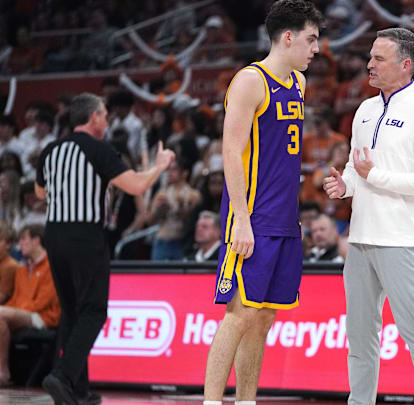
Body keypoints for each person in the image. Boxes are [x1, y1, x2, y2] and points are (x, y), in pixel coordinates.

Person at [203, 2, 323, 405]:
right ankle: (210, 402)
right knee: (237, 315)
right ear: (287, 37)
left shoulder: (299, 85)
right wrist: (240, 218)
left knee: (264, 316)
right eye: (311, 39)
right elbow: (231, 151)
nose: (316, 49)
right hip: (251, 216)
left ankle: (247, 401)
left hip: (285, 218)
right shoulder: (249, 81)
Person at [323, 27, 414, 405]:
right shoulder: (364, 109)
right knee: (360, 338)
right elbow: (354, 167)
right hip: (359, 240)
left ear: (405, 65)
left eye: (379, 58)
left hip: (402, 242)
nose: (369, 64)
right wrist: (345, 186)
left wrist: (370, 176)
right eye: (370, 56)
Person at [36, 92, 175, 405]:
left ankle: (77, 390)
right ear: (94, 117)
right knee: (94, 310)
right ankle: (62, 376)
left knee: (72, 311)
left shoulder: (50, 150)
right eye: (105, 116)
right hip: (85, 235)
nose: (107, 121)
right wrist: (160, 165)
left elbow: (39, 191)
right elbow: (138, 186)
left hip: (54, 235)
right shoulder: (99, 149)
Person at [0, 225, 59, 386]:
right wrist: (11, 310)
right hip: (23, 314)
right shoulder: (22, 269)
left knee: (1, 314)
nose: (19, 245)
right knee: (1, 318)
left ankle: (3, 373)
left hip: (44, 317)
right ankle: (3, 373)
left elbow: (43, 302)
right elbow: (15, 299)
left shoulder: (52, 266)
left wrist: (13, 310)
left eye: (23, 240)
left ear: (36, 240)